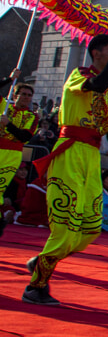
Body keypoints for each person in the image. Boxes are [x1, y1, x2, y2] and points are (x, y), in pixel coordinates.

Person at [24, 34, 108, 306]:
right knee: (65, 226)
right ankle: (35, 287)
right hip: (69, 151)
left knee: (90, 229)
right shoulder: (78, 75)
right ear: (96, 53)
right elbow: (96, 84)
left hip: (92, 156)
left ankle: (42, 261)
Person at [0, 78, 37, 239]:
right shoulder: (5, 107)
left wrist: (8, 125)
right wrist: (9, 78)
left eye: (29, 95)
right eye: (23, 94)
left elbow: (24, 136)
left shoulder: (32, 117)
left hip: (12, 154)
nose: (26, 97)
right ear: (15, 96)